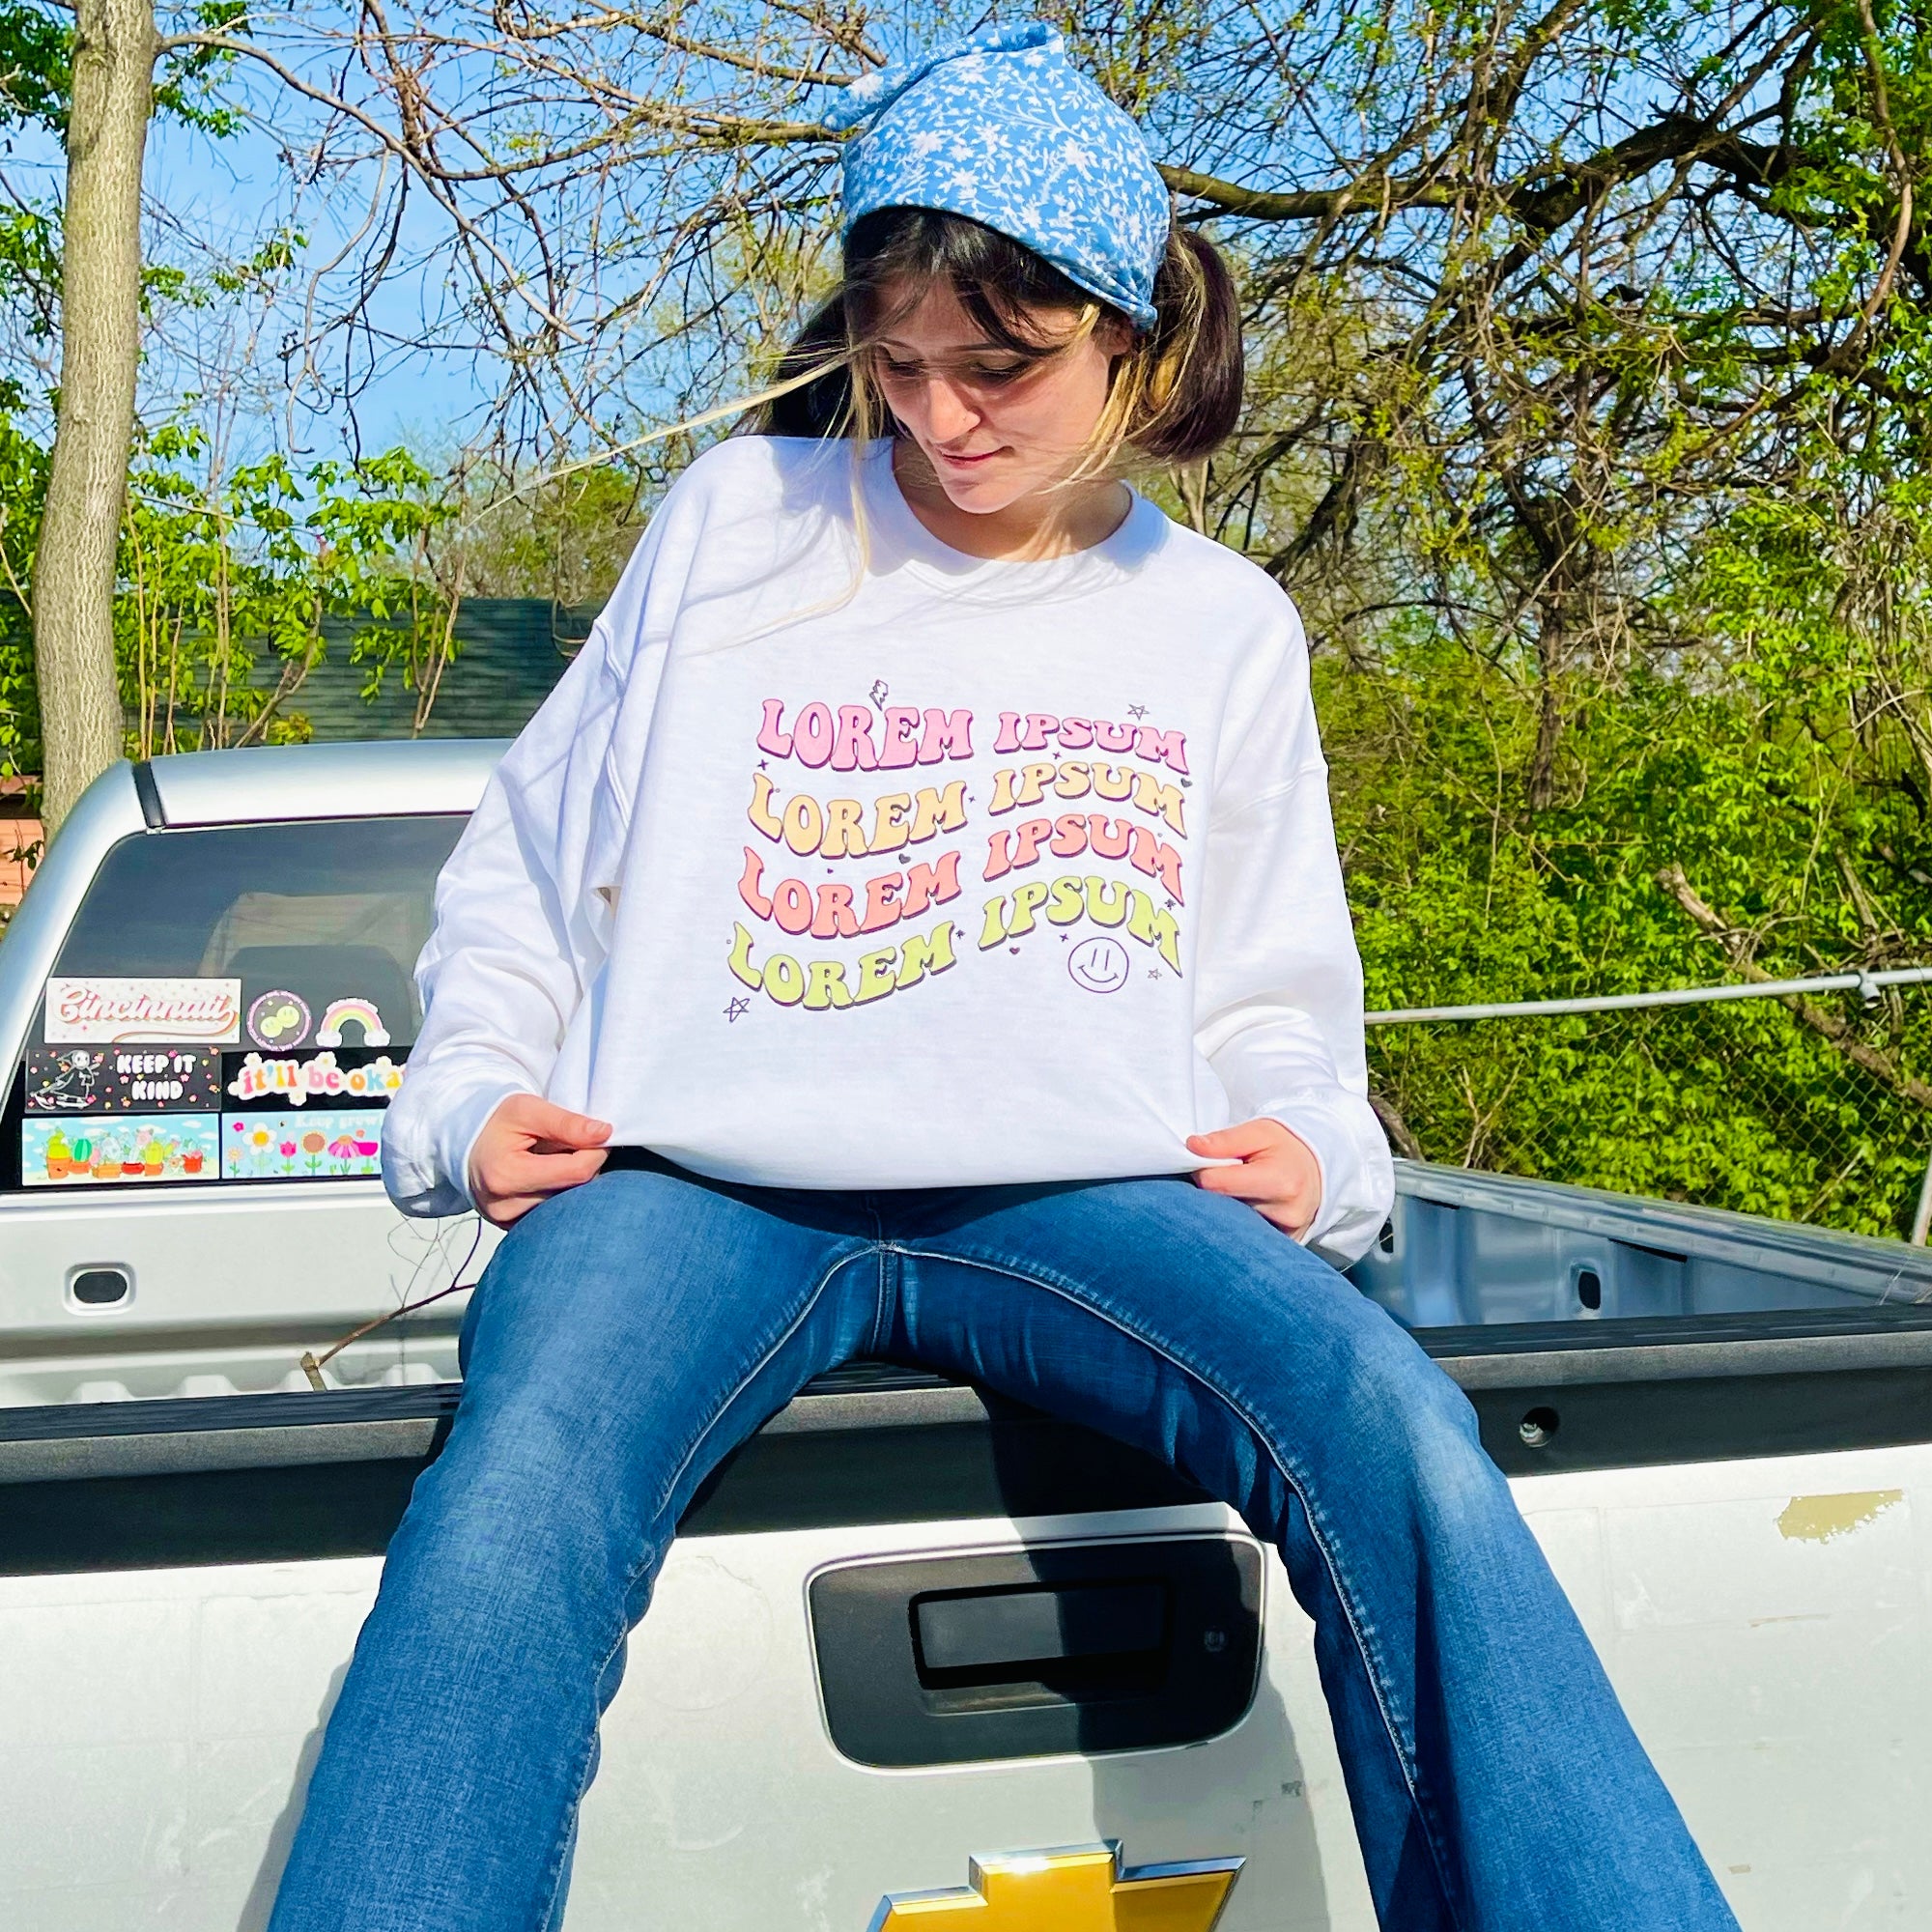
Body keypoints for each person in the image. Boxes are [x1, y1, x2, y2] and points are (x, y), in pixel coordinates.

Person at [268, 26, 1740, 1932]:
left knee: (1399, 1438)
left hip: (1085, 1192)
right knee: (512, 1498)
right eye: (898, 366)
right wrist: (467, 1093)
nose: (944, 418)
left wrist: (1314, 1140)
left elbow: (1275, 989)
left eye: (1004, 366)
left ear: (1127, 334)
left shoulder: (1217, 628)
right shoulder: (741, 523)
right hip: (693, 1187)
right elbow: (531, 865)